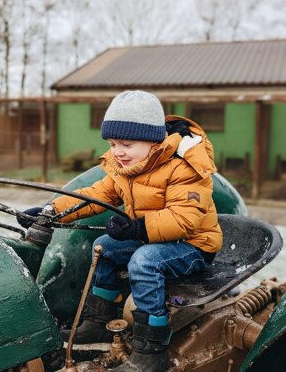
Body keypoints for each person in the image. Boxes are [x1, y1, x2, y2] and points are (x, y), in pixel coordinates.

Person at [18, 90, 222, 372]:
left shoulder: (184, 165)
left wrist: (136, 228)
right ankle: (99, 324)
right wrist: (51, 212)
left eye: (126, 143)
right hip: (152, 238)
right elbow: (94, 195)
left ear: (154, 140)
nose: (117, 151)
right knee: (104, 246)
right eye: (113, 143)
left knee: (144, 260)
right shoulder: (126, 166)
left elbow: (185, 219)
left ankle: (150, 352)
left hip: (193, 245)